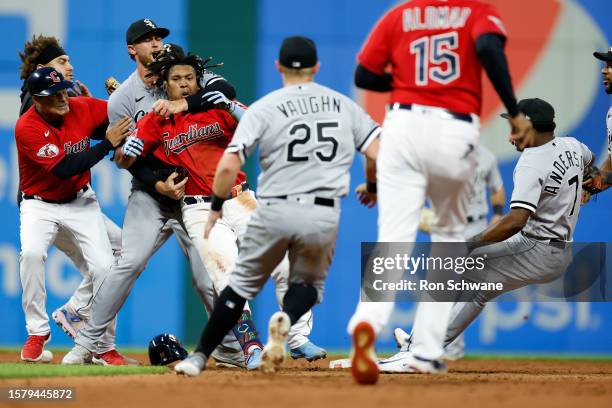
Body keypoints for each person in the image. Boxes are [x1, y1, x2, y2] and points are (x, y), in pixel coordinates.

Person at [172, 35, 381, 377]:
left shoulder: (266, 107)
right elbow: (376, 153)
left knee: (238, 286)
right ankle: (287, 322)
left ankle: (198, 357)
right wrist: (371, 185)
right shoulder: (343, 105)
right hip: (323, 212)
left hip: (275, 209)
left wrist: (214, 210)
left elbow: (228, 166)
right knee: (306, 286)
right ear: (316, 67)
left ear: (278, 66)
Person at [347, 0, 532, 383]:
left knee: (394, 237)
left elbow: (364, 74)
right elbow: (487, 48)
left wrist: (400, 83)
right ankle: (427, 351)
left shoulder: (401, 14)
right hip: (453, 127)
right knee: (449, 238)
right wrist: (514, 111)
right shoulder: (475, 11)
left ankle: (366, 323)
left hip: (401, 125)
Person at [61, 21, 261, 368]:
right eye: (147, 40)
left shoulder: (187, 75)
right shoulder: (123, 98)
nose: (155, 44)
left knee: (206, 277)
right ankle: (86, 343)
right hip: (152, 193)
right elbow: (127, 159)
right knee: (129, 262)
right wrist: (157, 184)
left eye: (159, 38)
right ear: (132, 51)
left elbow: (225, 90)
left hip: (195, 196)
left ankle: (230, 352)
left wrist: (187, 102)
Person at [123, 49, 327, 363]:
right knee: (226, 278)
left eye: (190, 78)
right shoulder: (156, 119)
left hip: (240, 199)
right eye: (176, 79)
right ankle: (252, 348)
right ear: (164, 84)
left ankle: (298, 338)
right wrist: (128, 150)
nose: (185, 84)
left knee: (286, 264)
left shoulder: (216, 105)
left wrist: (231, 107)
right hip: (199, 210)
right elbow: (128, 159)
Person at [379, 98, 594, 372]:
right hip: (555, 247)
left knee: (467, 267)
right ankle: (419, 345)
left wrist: (469, 244)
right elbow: (591, 163)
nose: (510, 136)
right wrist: (591, 186)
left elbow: (516, 220)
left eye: (514, 127)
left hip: (537, 246)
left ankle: (419, 351)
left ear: (528, 124)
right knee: (478, 287)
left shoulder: (532, 162)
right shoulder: (573, 146)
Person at [18, 35, 125, 355]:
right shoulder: (28, 124)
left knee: (108, 267)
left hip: (80, 201)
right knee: (32, 255)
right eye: (54, 94)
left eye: (63, 90)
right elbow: (64, 166)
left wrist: (125, 102)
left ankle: (100, 343)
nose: (62, 97)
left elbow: (121, 120)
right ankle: (37, 332)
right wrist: (106, 142)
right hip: (40, 205)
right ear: (37, 99)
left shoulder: (78, 103)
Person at [410, 144, 506, 360]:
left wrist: (498, 214)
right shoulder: (440, 155)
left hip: (477, 226)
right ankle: (432, 345)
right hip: (447, 226)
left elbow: (497, 188)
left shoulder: (486, 156)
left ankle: (451, 350)